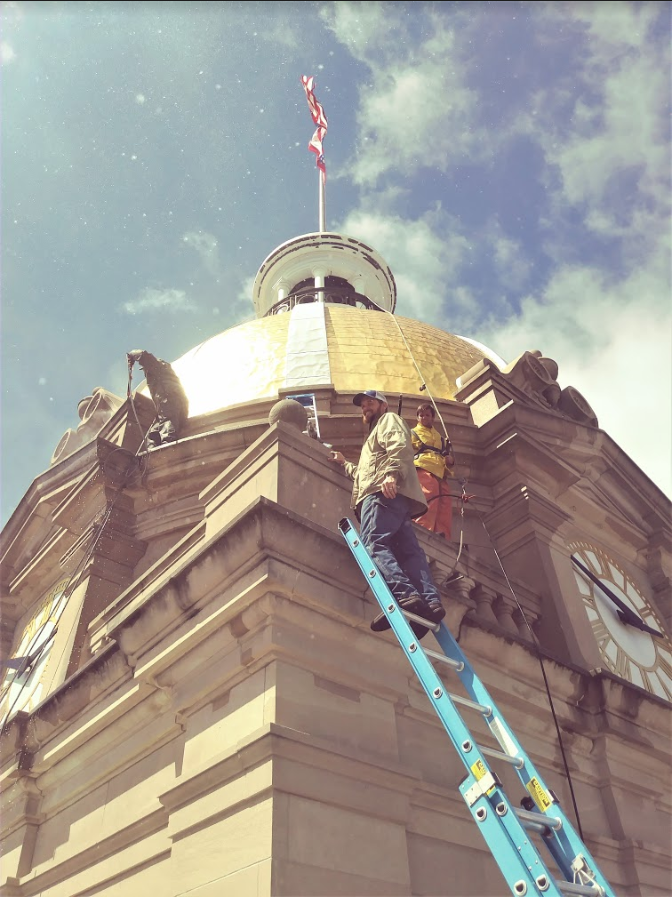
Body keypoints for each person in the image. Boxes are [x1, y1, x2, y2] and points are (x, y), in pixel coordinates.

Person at [330, 389, 445, 636]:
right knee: (410, 552)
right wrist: (344, 463)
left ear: (383, 405)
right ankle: (430, 602)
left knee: (373, 543)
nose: (365, 407)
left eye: (370, 402)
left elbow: (400, 446)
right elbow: (364, 473)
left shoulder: (388, 420)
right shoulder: (372, 437)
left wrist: (392, 474)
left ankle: (405, 596)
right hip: (393, 498)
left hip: (382, 494)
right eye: (363, 405)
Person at [127, 350, 189, 447]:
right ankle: (152, 450)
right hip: (170, 403)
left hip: (169, 400)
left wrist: (132, 354)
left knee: (167, 423)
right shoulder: (160, 371)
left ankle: (167, 447)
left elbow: (144, 355)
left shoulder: (158, 366)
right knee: (154, 431)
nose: (146, 372)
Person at [411, 403, 455, 540]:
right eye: (421, 415)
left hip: (441, 471)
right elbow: (404, 449)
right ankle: (422, 529)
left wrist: (450, 460)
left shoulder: (440, 438)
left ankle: (443, 535)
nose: (424, 417)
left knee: (444, 501)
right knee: (429, 496)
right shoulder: (413, 433)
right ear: (417, 418)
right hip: (424, 466)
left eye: (427, 415)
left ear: (433, 417)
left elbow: (446, 455)